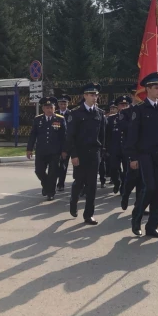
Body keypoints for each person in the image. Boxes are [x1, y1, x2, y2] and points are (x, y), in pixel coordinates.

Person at [125, 72, 158, 238]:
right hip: (145, 154)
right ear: (147, 89)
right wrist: (133, 157)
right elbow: (132, 135)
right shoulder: (139, 110)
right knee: (150, 187)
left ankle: (152, 226)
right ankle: (137, 217)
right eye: (156, 87)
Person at [65, 83, 105, 225]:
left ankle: (89, 214)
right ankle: (73, 201)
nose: (95, 97)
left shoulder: (100, 113)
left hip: (94, 153)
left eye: (96, 95)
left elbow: (102, 135)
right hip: (80, 153)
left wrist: (102, 152)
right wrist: (74, 155)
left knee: (92, 185)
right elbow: (70, 136)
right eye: (92, 95)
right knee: (79, 182)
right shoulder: (75, 113)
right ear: (85, 96)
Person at [26, 97, 66, 201]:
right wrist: (29, 149)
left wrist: (64, 150)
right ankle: (46, 185)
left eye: (51, 107)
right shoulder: (38, 119)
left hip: (55, 152)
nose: (49, 109)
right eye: (47, 107)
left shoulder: (60, 119)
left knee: (53, 173)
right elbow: (33, 135)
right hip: (41, 151)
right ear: (43, 108)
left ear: (54, 108)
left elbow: (64, 136)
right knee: (39, 171)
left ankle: (50, 192)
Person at [106, 95, 132, 194]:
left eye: (126, 104)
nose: (124, 106)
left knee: (126, 169)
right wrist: (107, 148)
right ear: (118, 106)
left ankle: (123, 187)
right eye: (122, 105)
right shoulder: (111, 119)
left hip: (127, 148)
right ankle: (117, 182)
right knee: (113, 168)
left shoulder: (132, 118)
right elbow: (107, 135)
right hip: (115, 148)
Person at [56, 94, 72, 192]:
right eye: (61, 103)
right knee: (55, 164)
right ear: (58, 104)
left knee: (63, 164)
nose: (63, 105)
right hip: (57, 143)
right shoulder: (55, 113)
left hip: (68, 142)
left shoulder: (71, 114)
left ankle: (61, 183)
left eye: (64, 103)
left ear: (67, 104)